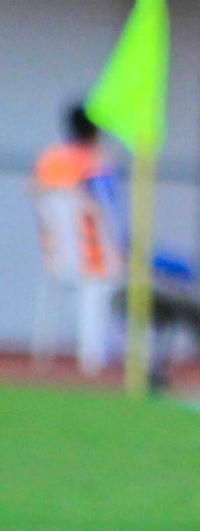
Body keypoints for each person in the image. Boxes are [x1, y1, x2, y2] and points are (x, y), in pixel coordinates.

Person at [30, 105, 121, 376]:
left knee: (86, 286)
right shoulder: (96, 163)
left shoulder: (49, 159)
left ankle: (48, 352)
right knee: (108, 282)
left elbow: (34, 190)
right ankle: (94, 357)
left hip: (56, 257)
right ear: (95, 130)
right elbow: (107, 210)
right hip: (92, 258)